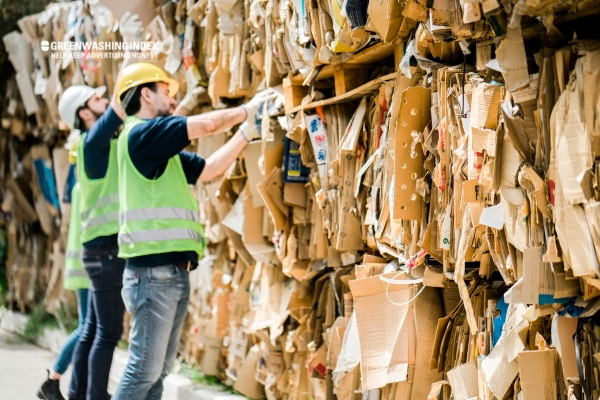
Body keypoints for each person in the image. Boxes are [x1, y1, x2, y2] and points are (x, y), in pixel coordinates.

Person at [111, 61, 269, 400]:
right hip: (153, 275)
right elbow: (209, 124)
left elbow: (209, 170)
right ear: (146, 94)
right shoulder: (141, 133)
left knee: (157, 373)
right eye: (166, 92)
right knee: (144, 371)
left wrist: (245, 134)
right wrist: (246, 110)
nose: (171, 100)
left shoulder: (157, 150)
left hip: (169, 273)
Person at [37, 146, 89, 400]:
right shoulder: (86, 189)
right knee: (89, 327)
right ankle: (53, 379)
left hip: (83, 268)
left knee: (89, 327)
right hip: (88, 268)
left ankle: (78, 384)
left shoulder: (78, 187)